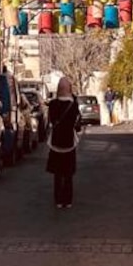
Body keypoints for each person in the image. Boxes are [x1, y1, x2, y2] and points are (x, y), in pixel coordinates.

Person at [46, 76, 81, 209]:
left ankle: (58, 200)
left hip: (55, 143)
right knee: (68, 173)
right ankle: (68, 200)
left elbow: (51, 121)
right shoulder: (73, 105)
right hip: (69, 143)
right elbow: (77, 124)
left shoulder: (53, 104)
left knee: (57, 173)